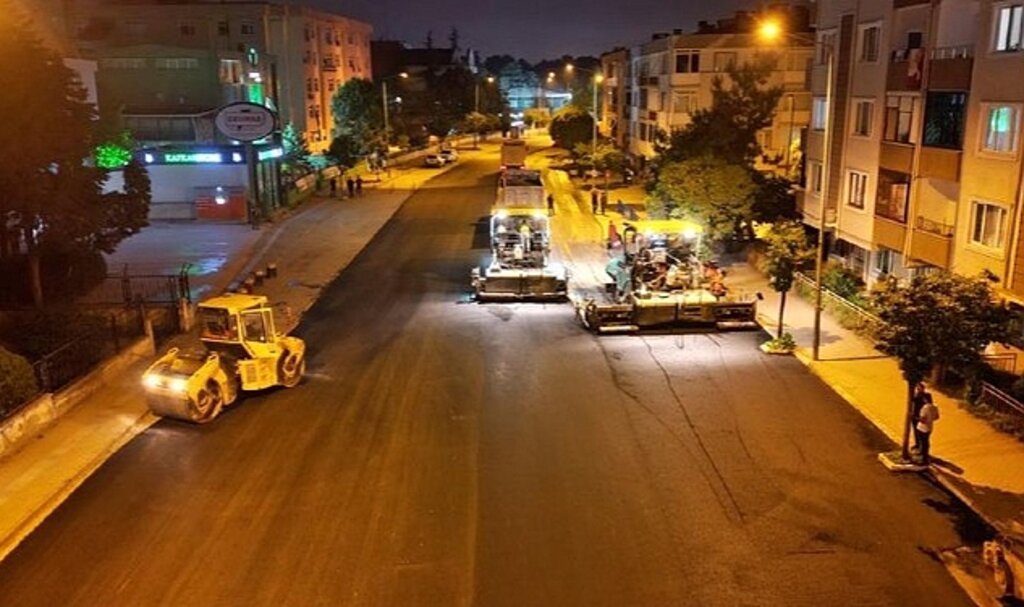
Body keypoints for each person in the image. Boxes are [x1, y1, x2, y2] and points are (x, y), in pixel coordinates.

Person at [916, 397, 940, 465]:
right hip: (930, 427)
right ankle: (924, 454)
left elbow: (922, 419)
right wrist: (930, 419)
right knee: (926, 441)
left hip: (922, 427)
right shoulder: (935, 407)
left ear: (925, 399)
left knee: (923, 442)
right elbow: (937, 417)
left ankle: (924, 457)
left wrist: (916, 418)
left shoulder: (925, 408)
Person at [911, 383, 932, 451]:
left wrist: (923, 399)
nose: (918, 389)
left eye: (920, 388)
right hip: (915, 415)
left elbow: (930, 404)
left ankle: (922, 448)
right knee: (916, 431)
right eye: (918, 388)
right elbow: (912, 400)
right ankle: (917, 444)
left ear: (923, 388)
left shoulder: (927, 395)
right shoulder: (915, 395)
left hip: (923, 416)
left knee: (922, 433)